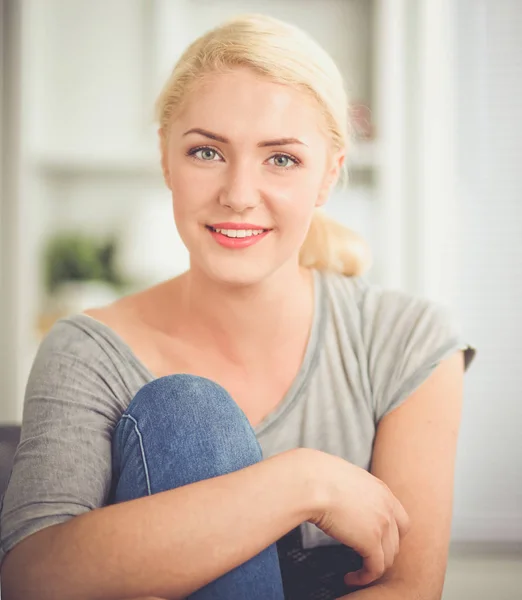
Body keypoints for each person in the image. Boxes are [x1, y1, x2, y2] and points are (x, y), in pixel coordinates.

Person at [0, 13, 475, 600]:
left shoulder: (406, 340)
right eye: (206, 152)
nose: (239, 195)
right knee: (187, 411)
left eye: (281, 159)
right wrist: (302, 484)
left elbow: (409, 589)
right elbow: (31, 581)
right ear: (165, 158)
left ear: (328, 176)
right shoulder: (88, 352)